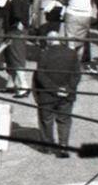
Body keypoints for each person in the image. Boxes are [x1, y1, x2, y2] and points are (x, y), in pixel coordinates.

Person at [32, 27, 82, 157]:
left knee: (46, 120)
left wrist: (55, 89)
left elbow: (40, 76)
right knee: (64, 120)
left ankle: (48, 146)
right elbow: (77, 75)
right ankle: (63, 146)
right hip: (67, 95)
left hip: (47, 96)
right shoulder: (72, 53)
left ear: (48, 41)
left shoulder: (44, 54)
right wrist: (67, 89)